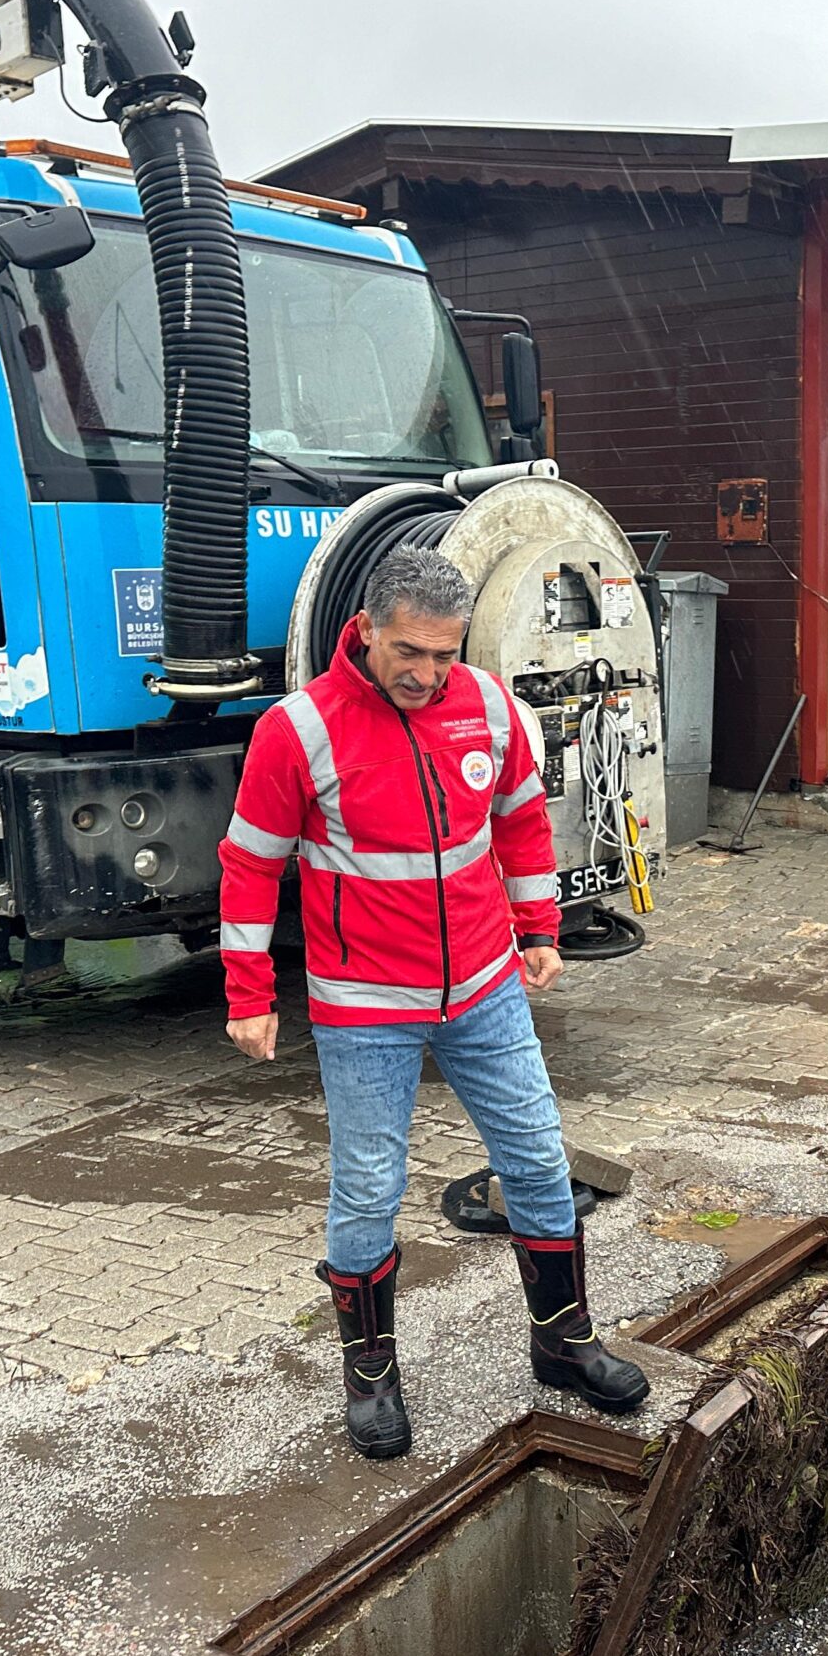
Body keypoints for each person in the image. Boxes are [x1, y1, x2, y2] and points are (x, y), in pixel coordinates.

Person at [217, 546, 649, 1459]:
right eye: (409, 652)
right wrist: (249, 993)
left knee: (536, 1159)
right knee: (370, 1186)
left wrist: (539, 930)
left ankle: (564, 1342)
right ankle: (371, 1379)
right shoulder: (298, 731)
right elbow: (251, 865)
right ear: (367, 628)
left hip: (485, 987)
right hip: (364, 1002)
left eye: (445, 655)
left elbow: (522, 822)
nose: (426, 674)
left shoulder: (490, 708)